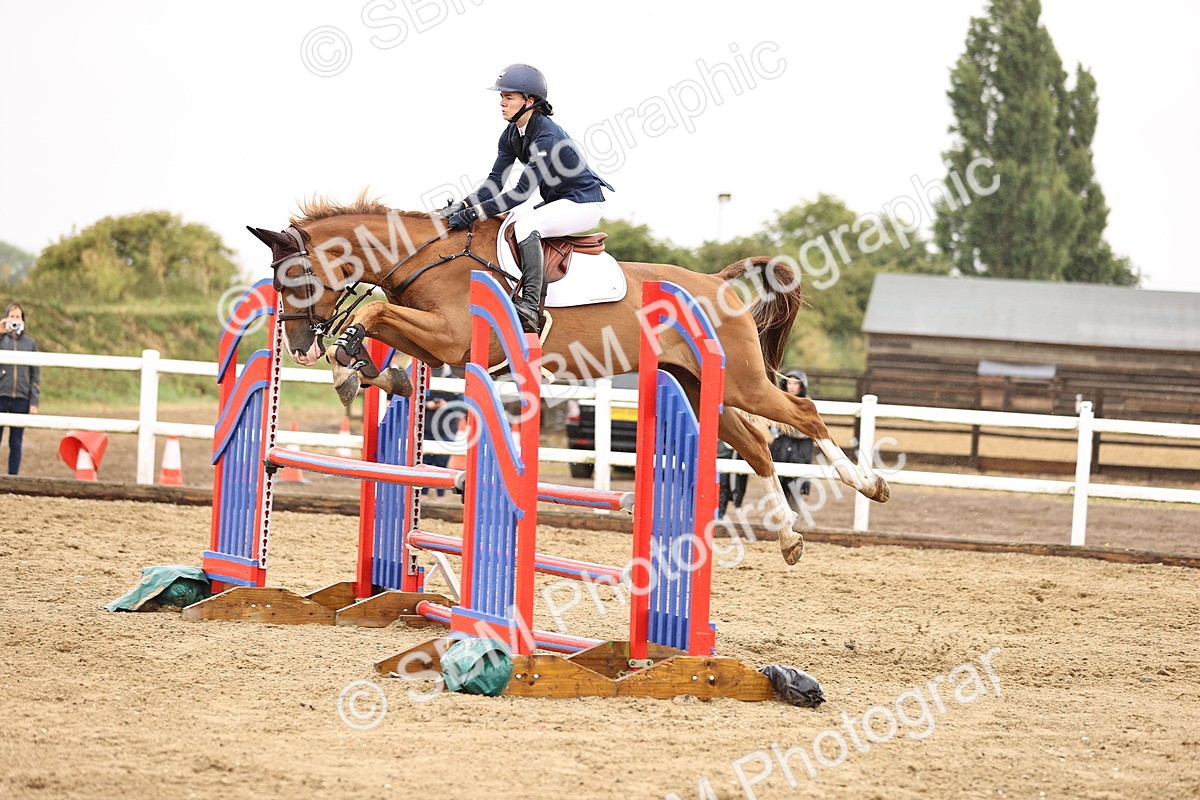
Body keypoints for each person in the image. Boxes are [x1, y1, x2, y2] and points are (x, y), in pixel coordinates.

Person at [444, 63, 614, 334]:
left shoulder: (546, 135)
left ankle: (530, 306)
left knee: (525, 225)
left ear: (529, 101)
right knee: (509, 220)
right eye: (501, 97)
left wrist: (475, 214)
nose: (501, 103)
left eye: (508, 97)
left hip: (583, 203)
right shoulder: (512, 133)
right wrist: (464, 205)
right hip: (558, 202)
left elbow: (521, 193)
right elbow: (495, 182)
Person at [0, 302, 40, 475]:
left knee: (16, 443)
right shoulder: (1, 341)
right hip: (1, 395)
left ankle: (13, 477)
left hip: (22, 399)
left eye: (18, 317)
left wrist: (34, 401)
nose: (15, 320)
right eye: (12, 316)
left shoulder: (30, 343)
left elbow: (35, 373)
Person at [770, 369, 813, 512]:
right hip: (783, 445)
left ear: (802, 386)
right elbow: (773, 429)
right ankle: (779, 522)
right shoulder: (780, 400)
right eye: (789, 383)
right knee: (778, 486)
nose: (792, 386)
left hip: (801, 447)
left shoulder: (807, 403)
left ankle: (794, 523)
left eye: (796, 383)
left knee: (796, 487)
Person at [421, 365, 463, 497]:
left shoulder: (456, 382)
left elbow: (462, 406)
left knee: (442, 462)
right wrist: (427, 405)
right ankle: (423, 492)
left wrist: (447, 405)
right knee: (424, 461)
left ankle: (440, 494)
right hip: (428, 427)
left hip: (446, 429)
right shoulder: (424, 379)